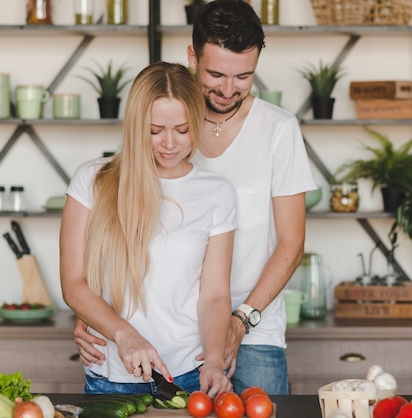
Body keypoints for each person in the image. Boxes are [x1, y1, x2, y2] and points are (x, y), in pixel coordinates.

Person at [75, 0, 316, 395]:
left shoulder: (278, 129)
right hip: (176, 336)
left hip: (255, 329)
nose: (227, 89)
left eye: (243, 77)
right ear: (192, 56)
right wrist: (98, 314)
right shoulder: (168, 121)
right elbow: (121, 220)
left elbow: (292, 244)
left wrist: (240, 321)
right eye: (216, 73)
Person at [60, 61, 236, 398]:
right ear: (136, 125)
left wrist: (213, 360)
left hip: (186, 375)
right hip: (108, 376)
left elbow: (213, 296)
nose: (169, 143)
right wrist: (125, 334)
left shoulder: (217, 192)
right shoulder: (92, 180)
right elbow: (74, 283)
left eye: (182, 130)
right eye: (155, 130)